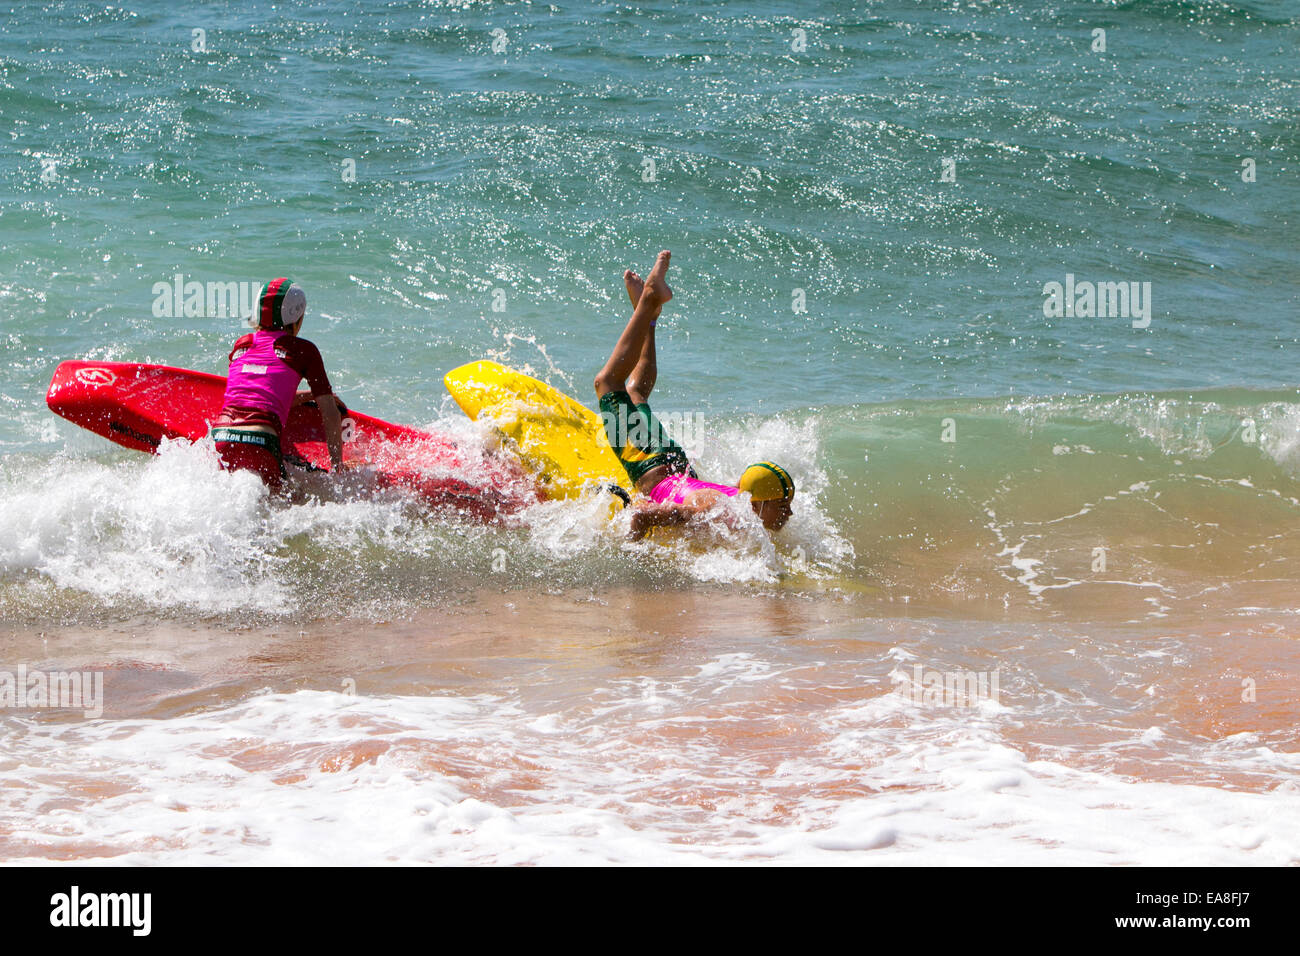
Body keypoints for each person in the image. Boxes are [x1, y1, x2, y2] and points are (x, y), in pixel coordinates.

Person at [593, 251, 795, 540]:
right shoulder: (710, 508)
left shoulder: (738, 506)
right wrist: (635, 571)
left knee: (636, 392)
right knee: (608, 383)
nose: (790, 514)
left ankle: (648, 316)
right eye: (783, 505)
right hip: (650, 464)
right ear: (759, 503)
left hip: (671, 467)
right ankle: (649, 299)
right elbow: (640, 516)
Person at [210, 278, 345, 491]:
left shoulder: (242, 343)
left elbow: (264, 394)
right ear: (298, 318)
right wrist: (338, 468)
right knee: (291, 504)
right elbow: (330, 414)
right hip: (262, 440)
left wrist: (309, 395)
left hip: (221, 437)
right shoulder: (304, 350)